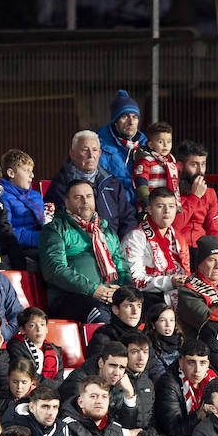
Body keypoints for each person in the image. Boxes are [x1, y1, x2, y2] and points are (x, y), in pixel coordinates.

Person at [41, 179, 131, 323]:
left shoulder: (107, 231)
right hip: (70, 298)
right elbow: (54, 269)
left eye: (89, 196)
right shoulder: (55, 229)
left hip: (111, 296)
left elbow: (123, 267)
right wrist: (93, 290)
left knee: (149, 313)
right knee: (101, 316)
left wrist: (121, 290)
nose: (85, 201)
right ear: (67, 202)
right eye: (78, 197)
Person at [45, 130, 135, 242]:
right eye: (85, 150)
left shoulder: (112, 182)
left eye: (94, 150)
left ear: (100, 153)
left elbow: (128, 218)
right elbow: (58, 223)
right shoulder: (61, 184)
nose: (91, 155)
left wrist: (120, 243)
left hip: (114, 245)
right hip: (79, 247)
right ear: (72, 154)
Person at [94, 89, 145, 189]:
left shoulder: (146, 144)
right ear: (115, 121)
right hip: (113, 201)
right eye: (125, 116)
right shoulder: (99, 144)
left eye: (135, 117)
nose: (131, 122)